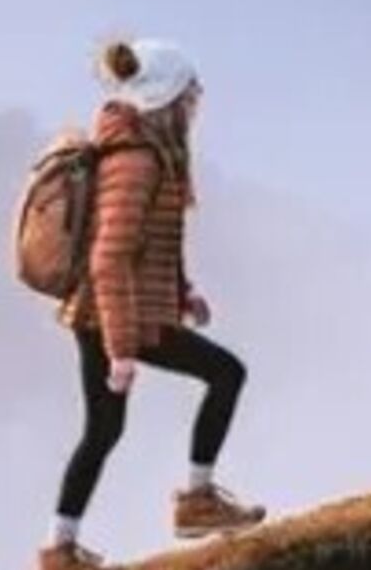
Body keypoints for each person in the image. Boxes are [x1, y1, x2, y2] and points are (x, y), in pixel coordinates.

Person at [41, 39, 265, 570]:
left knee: (102, 430)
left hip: (110, 311)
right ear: (168, 97)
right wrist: (121, 351)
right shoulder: (138, 160)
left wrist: (183, 292)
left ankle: (59, 549)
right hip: (120, 314)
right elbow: (109, 259)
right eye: (191, 92)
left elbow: (152, 238)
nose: (197, 101)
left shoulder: (146, 150)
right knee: (227, 373)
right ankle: (197, 501)